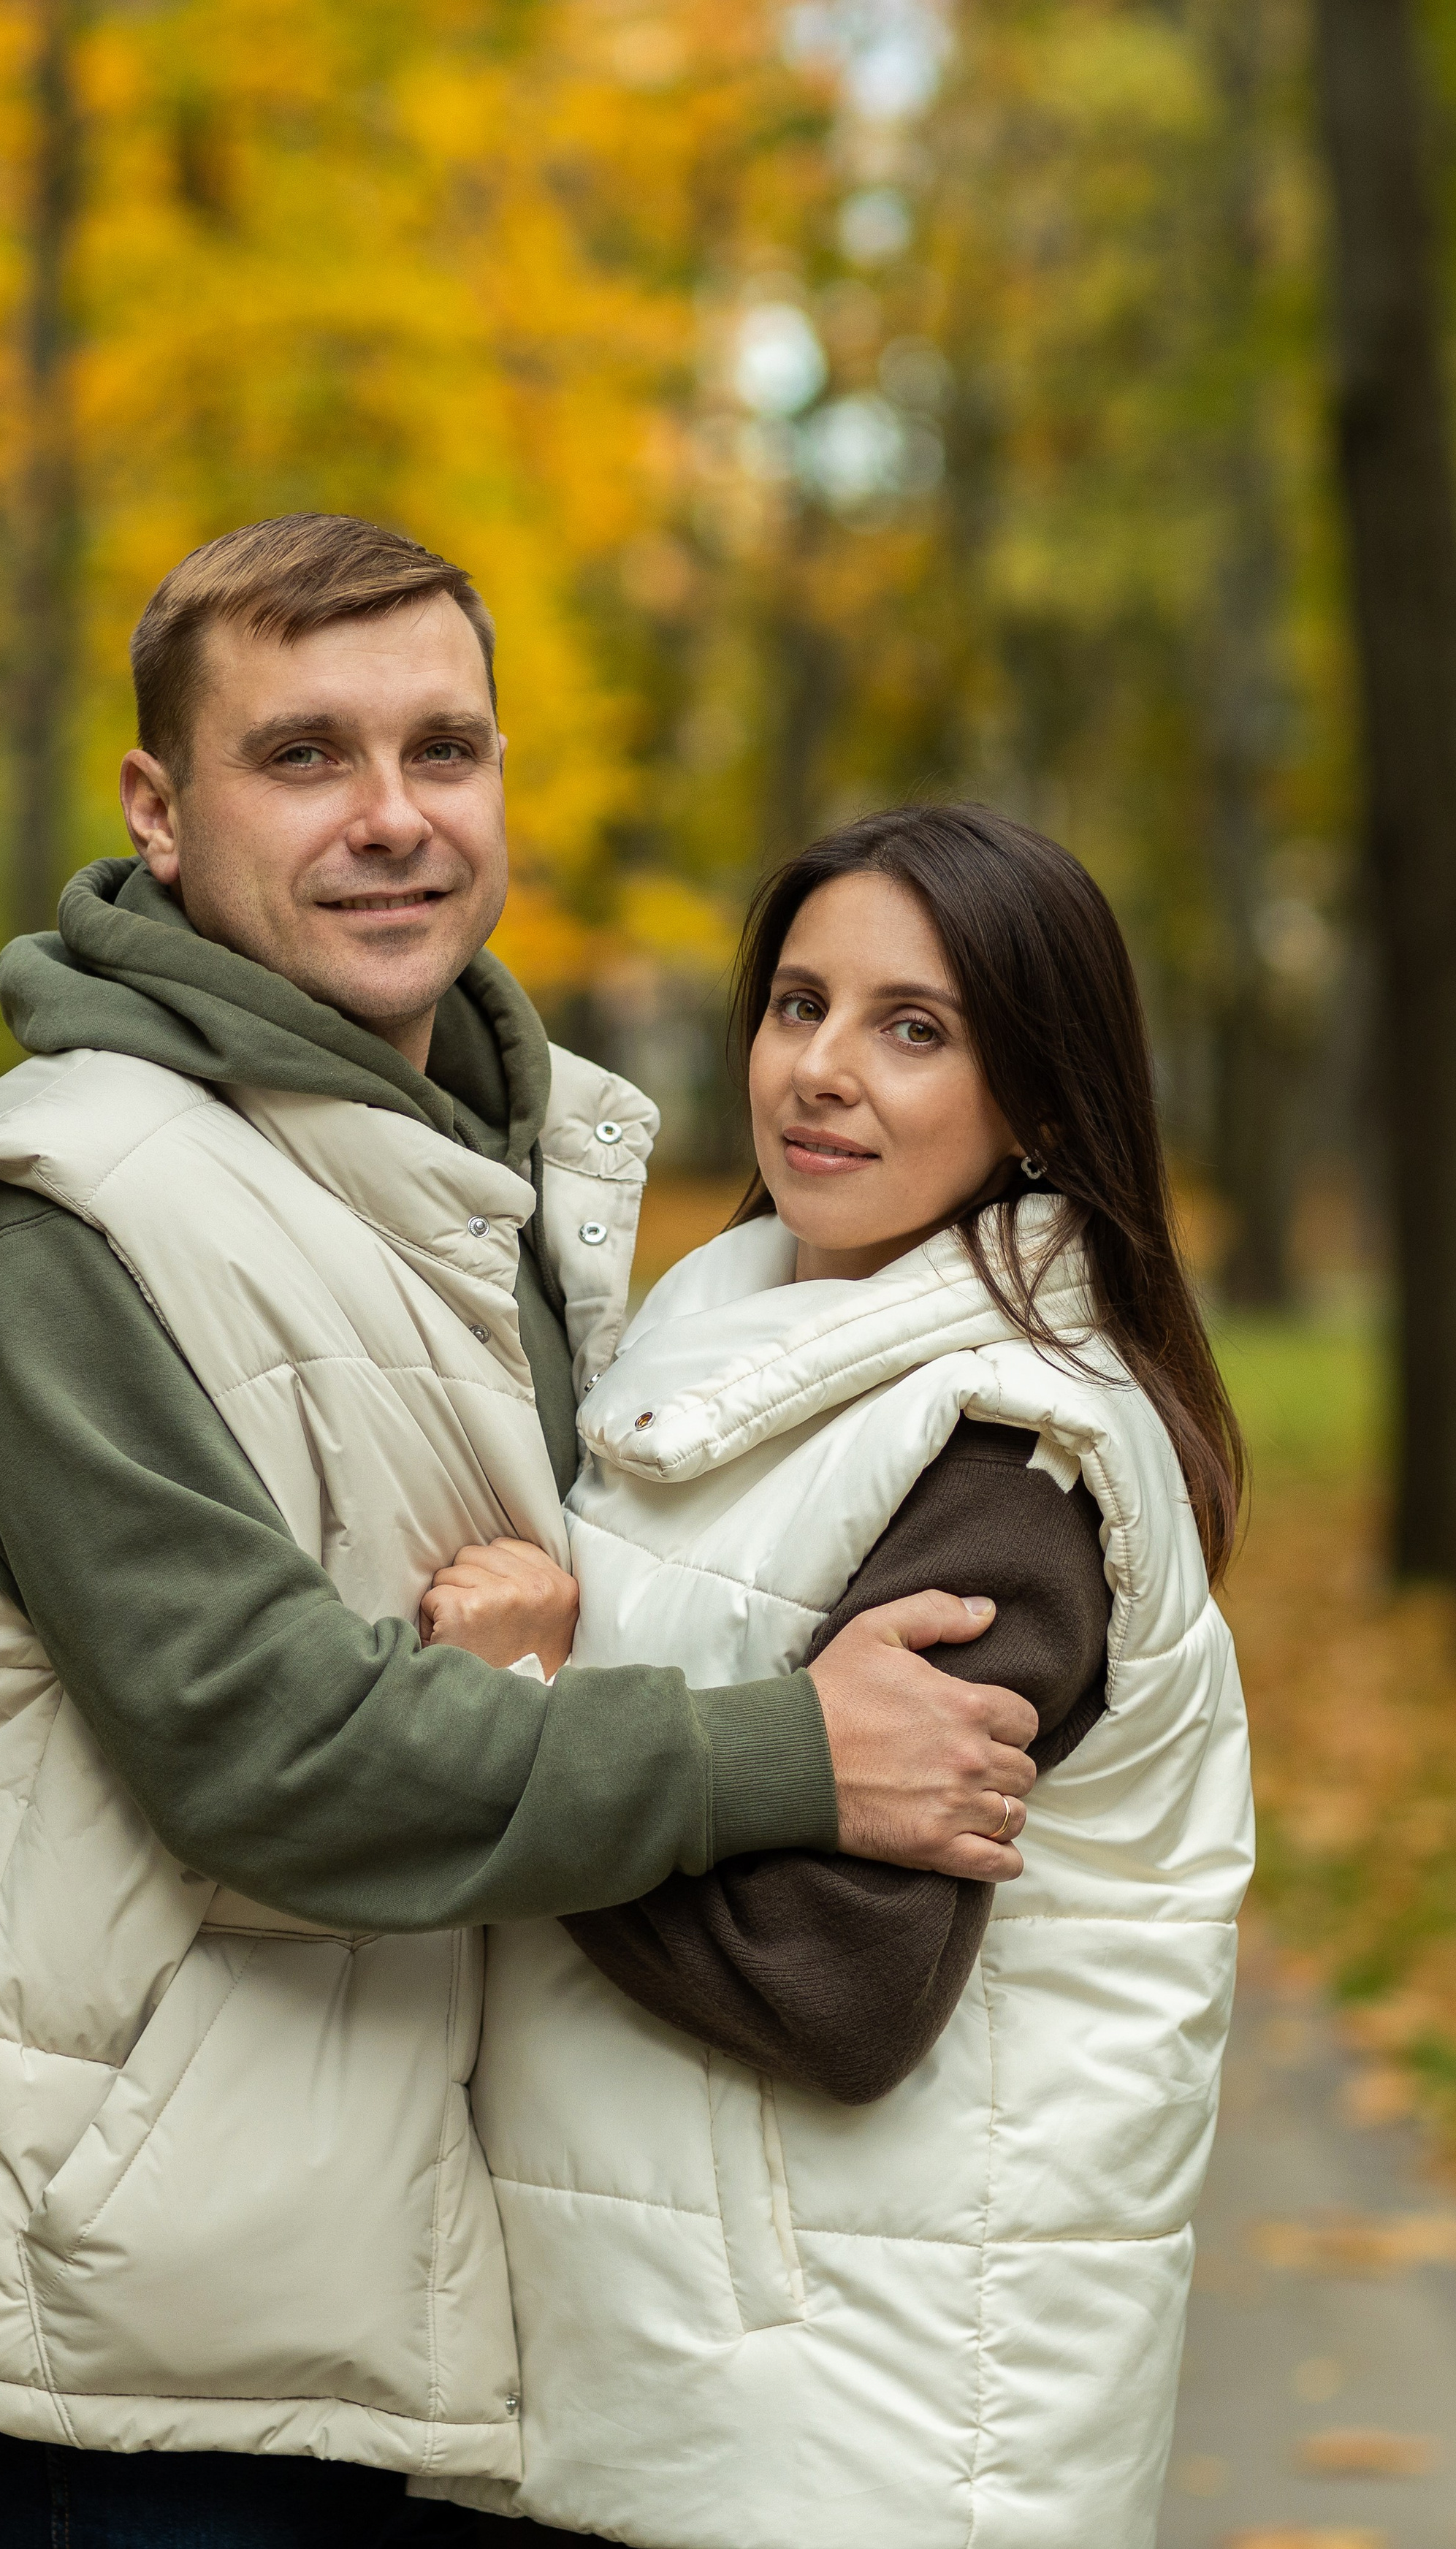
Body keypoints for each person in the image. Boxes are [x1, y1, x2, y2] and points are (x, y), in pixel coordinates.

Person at [0, 519, 1047, 2549]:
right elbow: (273, 1754)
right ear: (160, 810)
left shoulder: (504, 1170)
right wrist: (791, 1752)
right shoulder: (63, 1214)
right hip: (138, 2348)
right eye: (304, 757)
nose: (393, 819)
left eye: (442, 751)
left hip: (412, 2286)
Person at [419, 806, 1255, 2549]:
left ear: (1035, 1097)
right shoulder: (709, 1335)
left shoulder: (1008, 1454)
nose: (821, 1069)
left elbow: (836, 1989)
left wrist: (526, 1718)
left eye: (912, 1027)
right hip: (684, 2377)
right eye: (797, 1002)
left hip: (857, 2432)